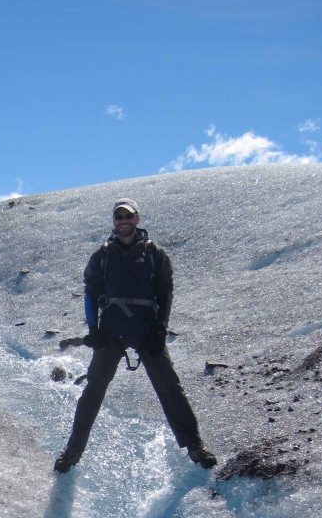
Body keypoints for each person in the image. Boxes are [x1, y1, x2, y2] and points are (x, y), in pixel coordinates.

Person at [54, 198, 217, 473]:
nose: (124, 221)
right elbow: (91, 293)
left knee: (170, 387)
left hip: (146, 331)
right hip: (111, 332)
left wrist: (161, 328)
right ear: (114, 221)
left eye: (128, 216)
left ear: (137, 218)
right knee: (93, 391)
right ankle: (72, 452)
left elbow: (165, 292)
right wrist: (93, 330)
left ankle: (195, 445)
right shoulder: (102, 256)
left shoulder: (155, 254)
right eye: (119, 217)